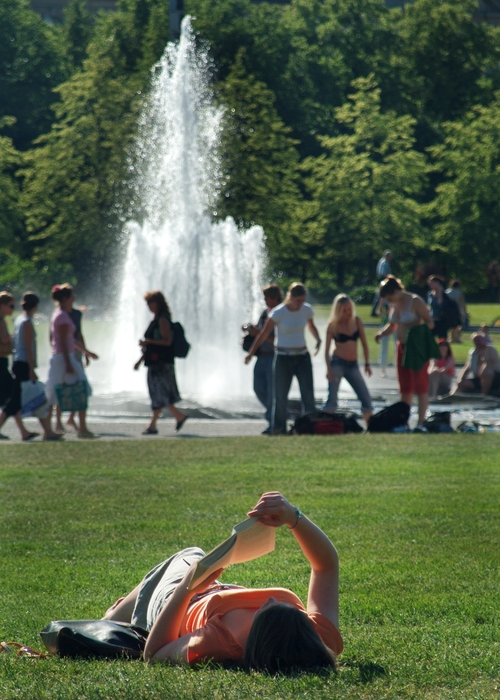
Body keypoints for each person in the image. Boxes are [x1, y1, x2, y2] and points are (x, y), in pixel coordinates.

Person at [102, 491, 342, 673]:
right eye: (296, 610)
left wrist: (187, 589)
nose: (270, 598)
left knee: (189, 555)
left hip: (177, 601)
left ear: (259, 635)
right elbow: (326, 566)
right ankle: (116, 616)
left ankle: (114, 618)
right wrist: (293, 517)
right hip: (210, 592)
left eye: (266, 609)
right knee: (188, 560)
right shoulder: (315, 637)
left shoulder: (221, 641)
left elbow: (154, 655)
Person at [244, 283, 321, 435]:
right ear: (290, 298)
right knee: (280, 396)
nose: (300, 304)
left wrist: (318, 338)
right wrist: (250, 353)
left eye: (302, 300)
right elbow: (263, 335)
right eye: (298, 300)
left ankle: (310, 427)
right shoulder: (279, 312)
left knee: (308, 395)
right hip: (283, 357)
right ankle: (278, 429)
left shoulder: (306, 309)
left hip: (302, 357)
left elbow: (311, 325)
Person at [375, 276, 435, 431]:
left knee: (420, 386)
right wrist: (381, 334)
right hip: (401, 347)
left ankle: (421, 422)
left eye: (390, 297)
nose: (389, 301)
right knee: (405, 387)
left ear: (396, 291)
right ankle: (404, 422)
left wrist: (415, 331)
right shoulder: (395, 304)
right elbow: (393, 325)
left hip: (416, 348)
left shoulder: (415, 301)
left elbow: (430, 322)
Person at [0, 292, 62, 441]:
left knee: (28, 399)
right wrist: (32, 369)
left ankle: (46, 432)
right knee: (35, 398)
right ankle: (47, 432)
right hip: (24, 365)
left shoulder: (19, 320)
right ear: (35, 307)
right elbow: (28, 347)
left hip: (18, 363)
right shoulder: (26, 322)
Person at [45, 284, 97, 439]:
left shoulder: (61, 315)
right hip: (64, 358)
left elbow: (70, 340)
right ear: (66, 298)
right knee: (82, 388)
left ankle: (57, 429)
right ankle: (81, 428)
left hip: (63, 358)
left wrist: (86, 352)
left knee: (54, 394)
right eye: (72, 296)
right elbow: (61, 341)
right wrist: (68, 363)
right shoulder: (61, 316)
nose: (74, 298)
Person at [134, 290, 187, 435]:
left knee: (160, 394)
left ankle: (178, 416)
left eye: (150, 302)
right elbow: (150, 347)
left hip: (162, 363)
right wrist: (139, 361)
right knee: (158, 394)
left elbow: (167, 341)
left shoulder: (163, 319)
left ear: (158, 303)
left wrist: (148, 341)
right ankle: (153, 425)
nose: (148, 306)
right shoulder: (155, 319)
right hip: (154, 362)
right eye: (147, 303)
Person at [322, 294, 373, 423]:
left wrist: (367, 364)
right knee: (332, 399)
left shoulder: (356, 321)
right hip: (337, 364)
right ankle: (327, 427)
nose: (347, 313)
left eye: (349, 309)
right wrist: (328, 369)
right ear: (338, 311)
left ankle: (370, 427)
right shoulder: (332, 325)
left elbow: (365, 345)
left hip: (353, 365)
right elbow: (326, 350)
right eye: (344, 310)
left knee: (365, 398)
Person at [243, 285, 282, 435]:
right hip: (261, 356)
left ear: (275, 298)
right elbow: (259, 334)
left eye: (267, 297)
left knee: (272, 392)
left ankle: (274, 423)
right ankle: (275, 415)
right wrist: (250, 330)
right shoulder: (265, 313)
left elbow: (276, 339)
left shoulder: (280, 313)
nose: (265, 300)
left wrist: (258, 332)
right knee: (258, 388)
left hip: (273, 355)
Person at [370, 250, 393, 317]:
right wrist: (391, 277)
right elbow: (383, 274)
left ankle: (380, 310)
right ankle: (376, 311)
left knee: (382, 296)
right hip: (383, 281)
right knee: (381, 296)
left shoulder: (382, 261)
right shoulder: (384, 263)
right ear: (387, 256)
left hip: (383, 280)